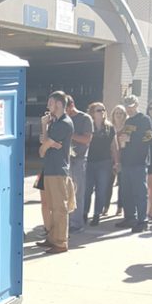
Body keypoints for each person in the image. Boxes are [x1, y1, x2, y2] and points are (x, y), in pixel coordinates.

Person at [36, 91, 75, 253]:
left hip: (58, 170)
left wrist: (45, 144)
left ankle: (60, 242)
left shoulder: (64, 123)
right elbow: (44, 144)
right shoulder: (54, 122)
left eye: (50, 103)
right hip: (49, 168)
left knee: (59, 208)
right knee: (51, 206)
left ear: (59, 104)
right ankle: (52, 238)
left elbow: (43, 148)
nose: (48, 106)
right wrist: (45, 130)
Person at [115, 93, 152, 232]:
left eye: (131, 106)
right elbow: (124, 141)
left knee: (140, 192)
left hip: (139, 161)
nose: (129, 109)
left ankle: (142, 221)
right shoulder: (128, 121)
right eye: (127, 107)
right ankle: (130, 217)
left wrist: (132, 138)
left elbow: (150, 139)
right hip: (127, 161)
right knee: (127, 192)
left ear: (137, 105)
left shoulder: (144, 119)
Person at [84, 103, 119, 225]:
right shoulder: (88, 126)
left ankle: (96, 214)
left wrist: (116, 162)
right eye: (99, 110)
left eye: (103, 110)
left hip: (104, 162)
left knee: (101, 189)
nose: (102, 112)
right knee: (87, 190)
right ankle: (84, 213)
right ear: (92, 112)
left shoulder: (110, 128)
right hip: (89, 162)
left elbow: (114, 146)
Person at [66, 95, 93, 232]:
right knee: (65, 193)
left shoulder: (85, 118)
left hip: (79, 159)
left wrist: (69, 135)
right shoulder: (61, 118)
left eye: (65, 108)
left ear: (72, 105)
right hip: (65, 160)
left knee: (77, 192)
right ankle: (66, 222)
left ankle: (76, 224)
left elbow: (87, 139)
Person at [106, 104, 127, 216]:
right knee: (108, 183)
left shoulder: (127, 127)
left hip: (123, 158)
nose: (118, 115)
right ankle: (105, 206)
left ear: (124, 115)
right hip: (109, 157)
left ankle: (119, 207)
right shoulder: (109, 127)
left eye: (121, 113)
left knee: (122, 184)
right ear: (113, 115)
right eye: (116, 113)